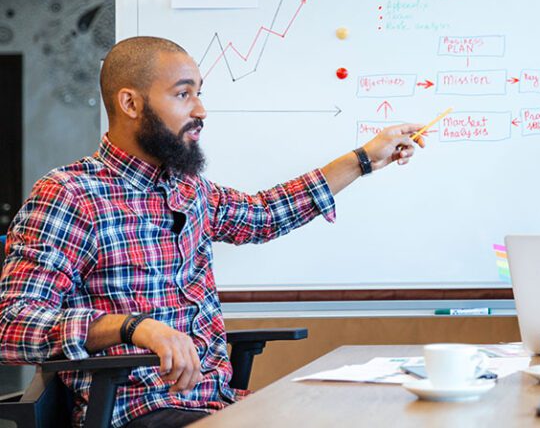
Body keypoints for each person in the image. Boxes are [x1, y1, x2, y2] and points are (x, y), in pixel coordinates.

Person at [0, 36, 426, 427]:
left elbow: (263, 214)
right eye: (184, 94)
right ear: (130, 103)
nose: (200, 110)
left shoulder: (187, 189)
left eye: (199, 93)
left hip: (215, 403)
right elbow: (13, 325)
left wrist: (365, 159)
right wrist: (132, 327)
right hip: (137, 413)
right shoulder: (70, 194)